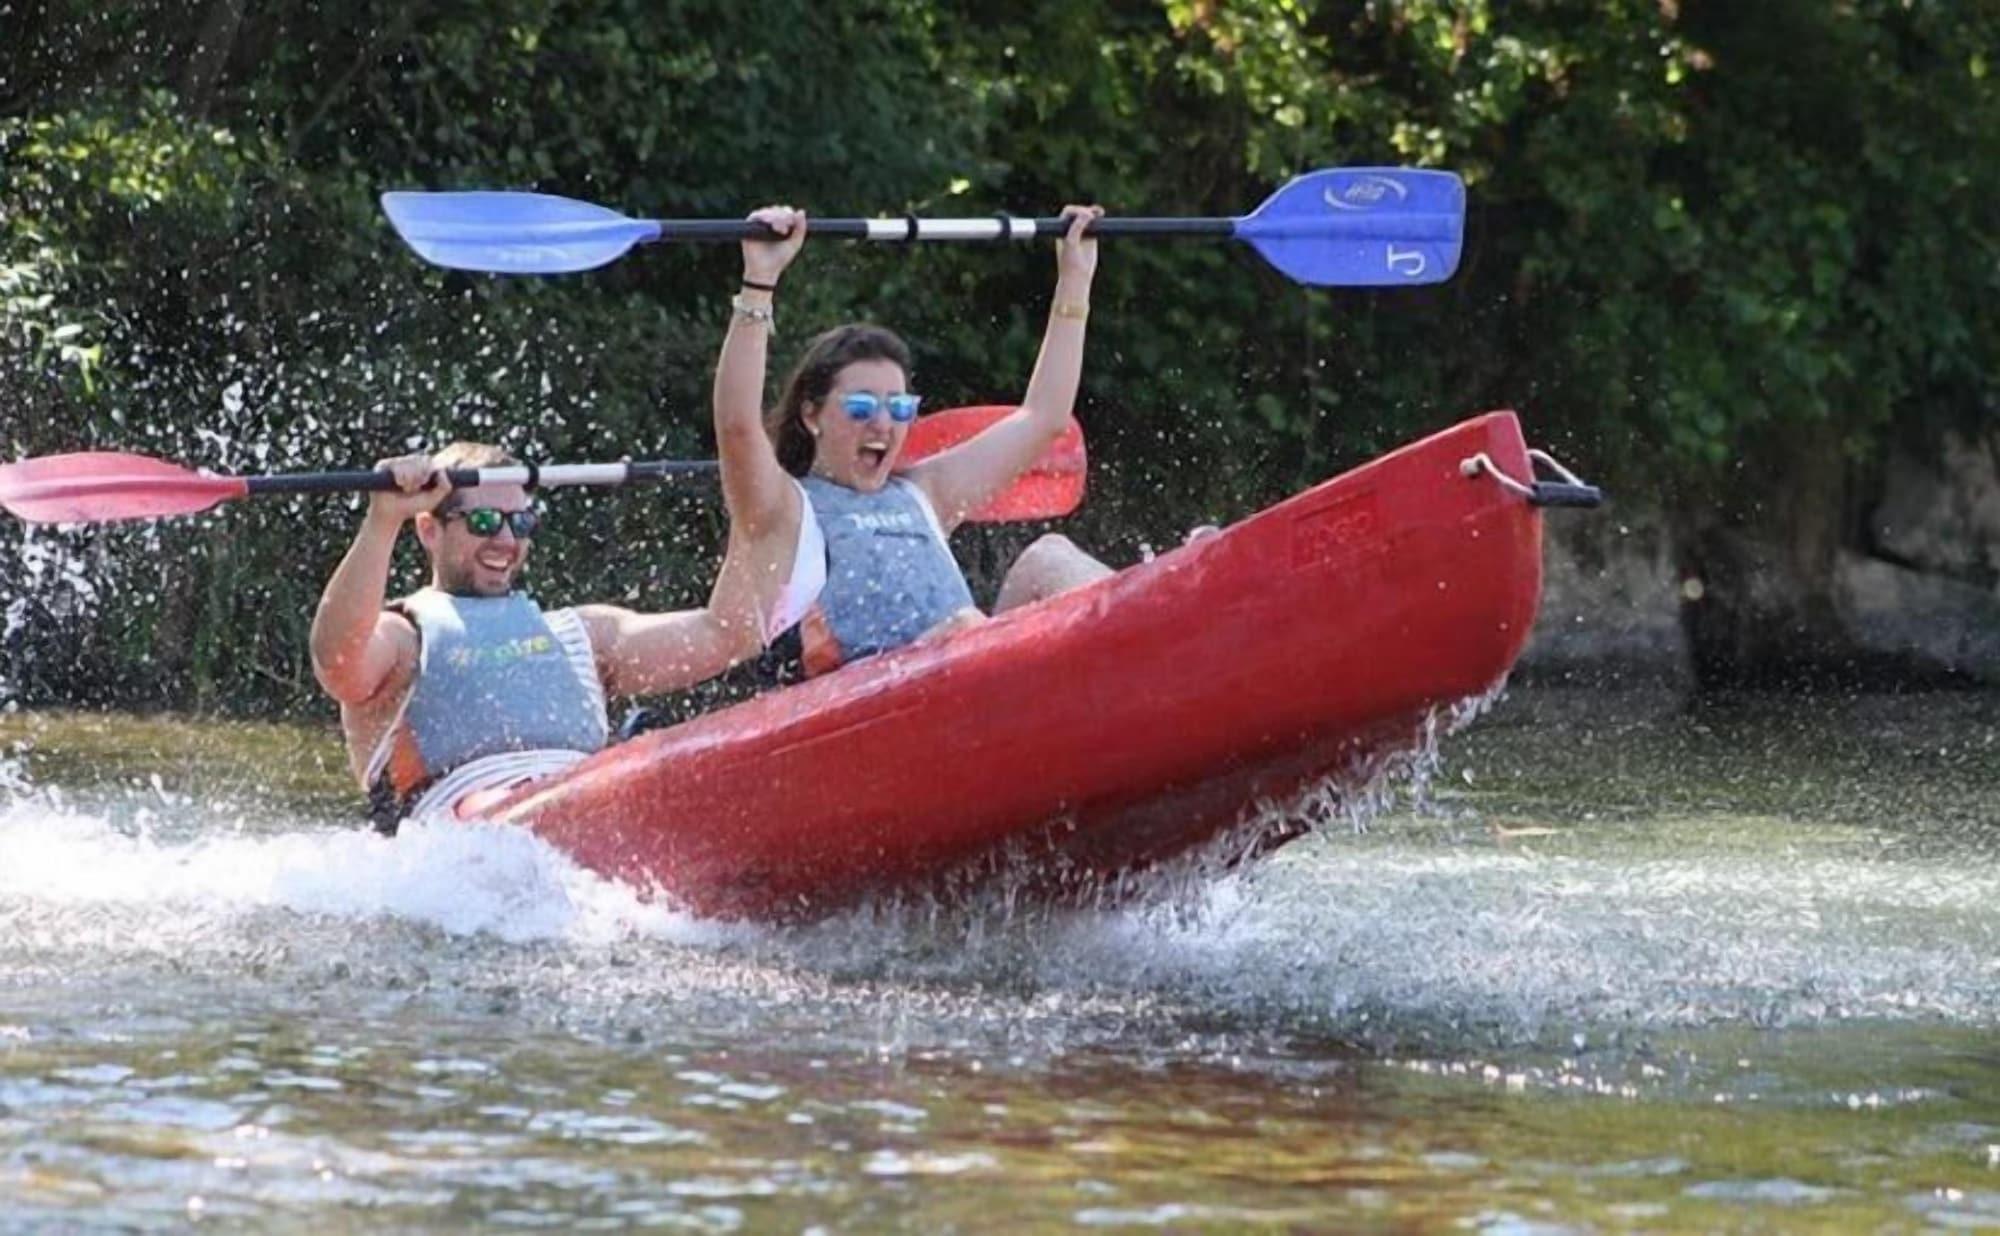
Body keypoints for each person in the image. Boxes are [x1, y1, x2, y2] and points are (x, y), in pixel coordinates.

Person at [712, 203, 1114, 680]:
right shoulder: (781, 509)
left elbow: (1043, 420)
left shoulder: (925, 493)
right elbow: (738, 427)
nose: (884, 424)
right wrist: (759, 282)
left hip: (973, 670)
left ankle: (1155, 626)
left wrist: (1075, 280)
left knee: (1050, 556)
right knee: (963, 625)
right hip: (873, 699)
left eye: (900, 408)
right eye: (862, 407)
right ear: (811, 414)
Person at [309, 441, 761, 832]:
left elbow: (728, 633)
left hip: (591, 804)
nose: (506, 540)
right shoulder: (404, 636)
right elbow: (336, 662)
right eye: (484, 521)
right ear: (429, 529)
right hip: (465, 834)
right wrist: (383, 520)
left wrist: (757, 505)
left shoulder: (584, 634)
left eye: (521, 522)